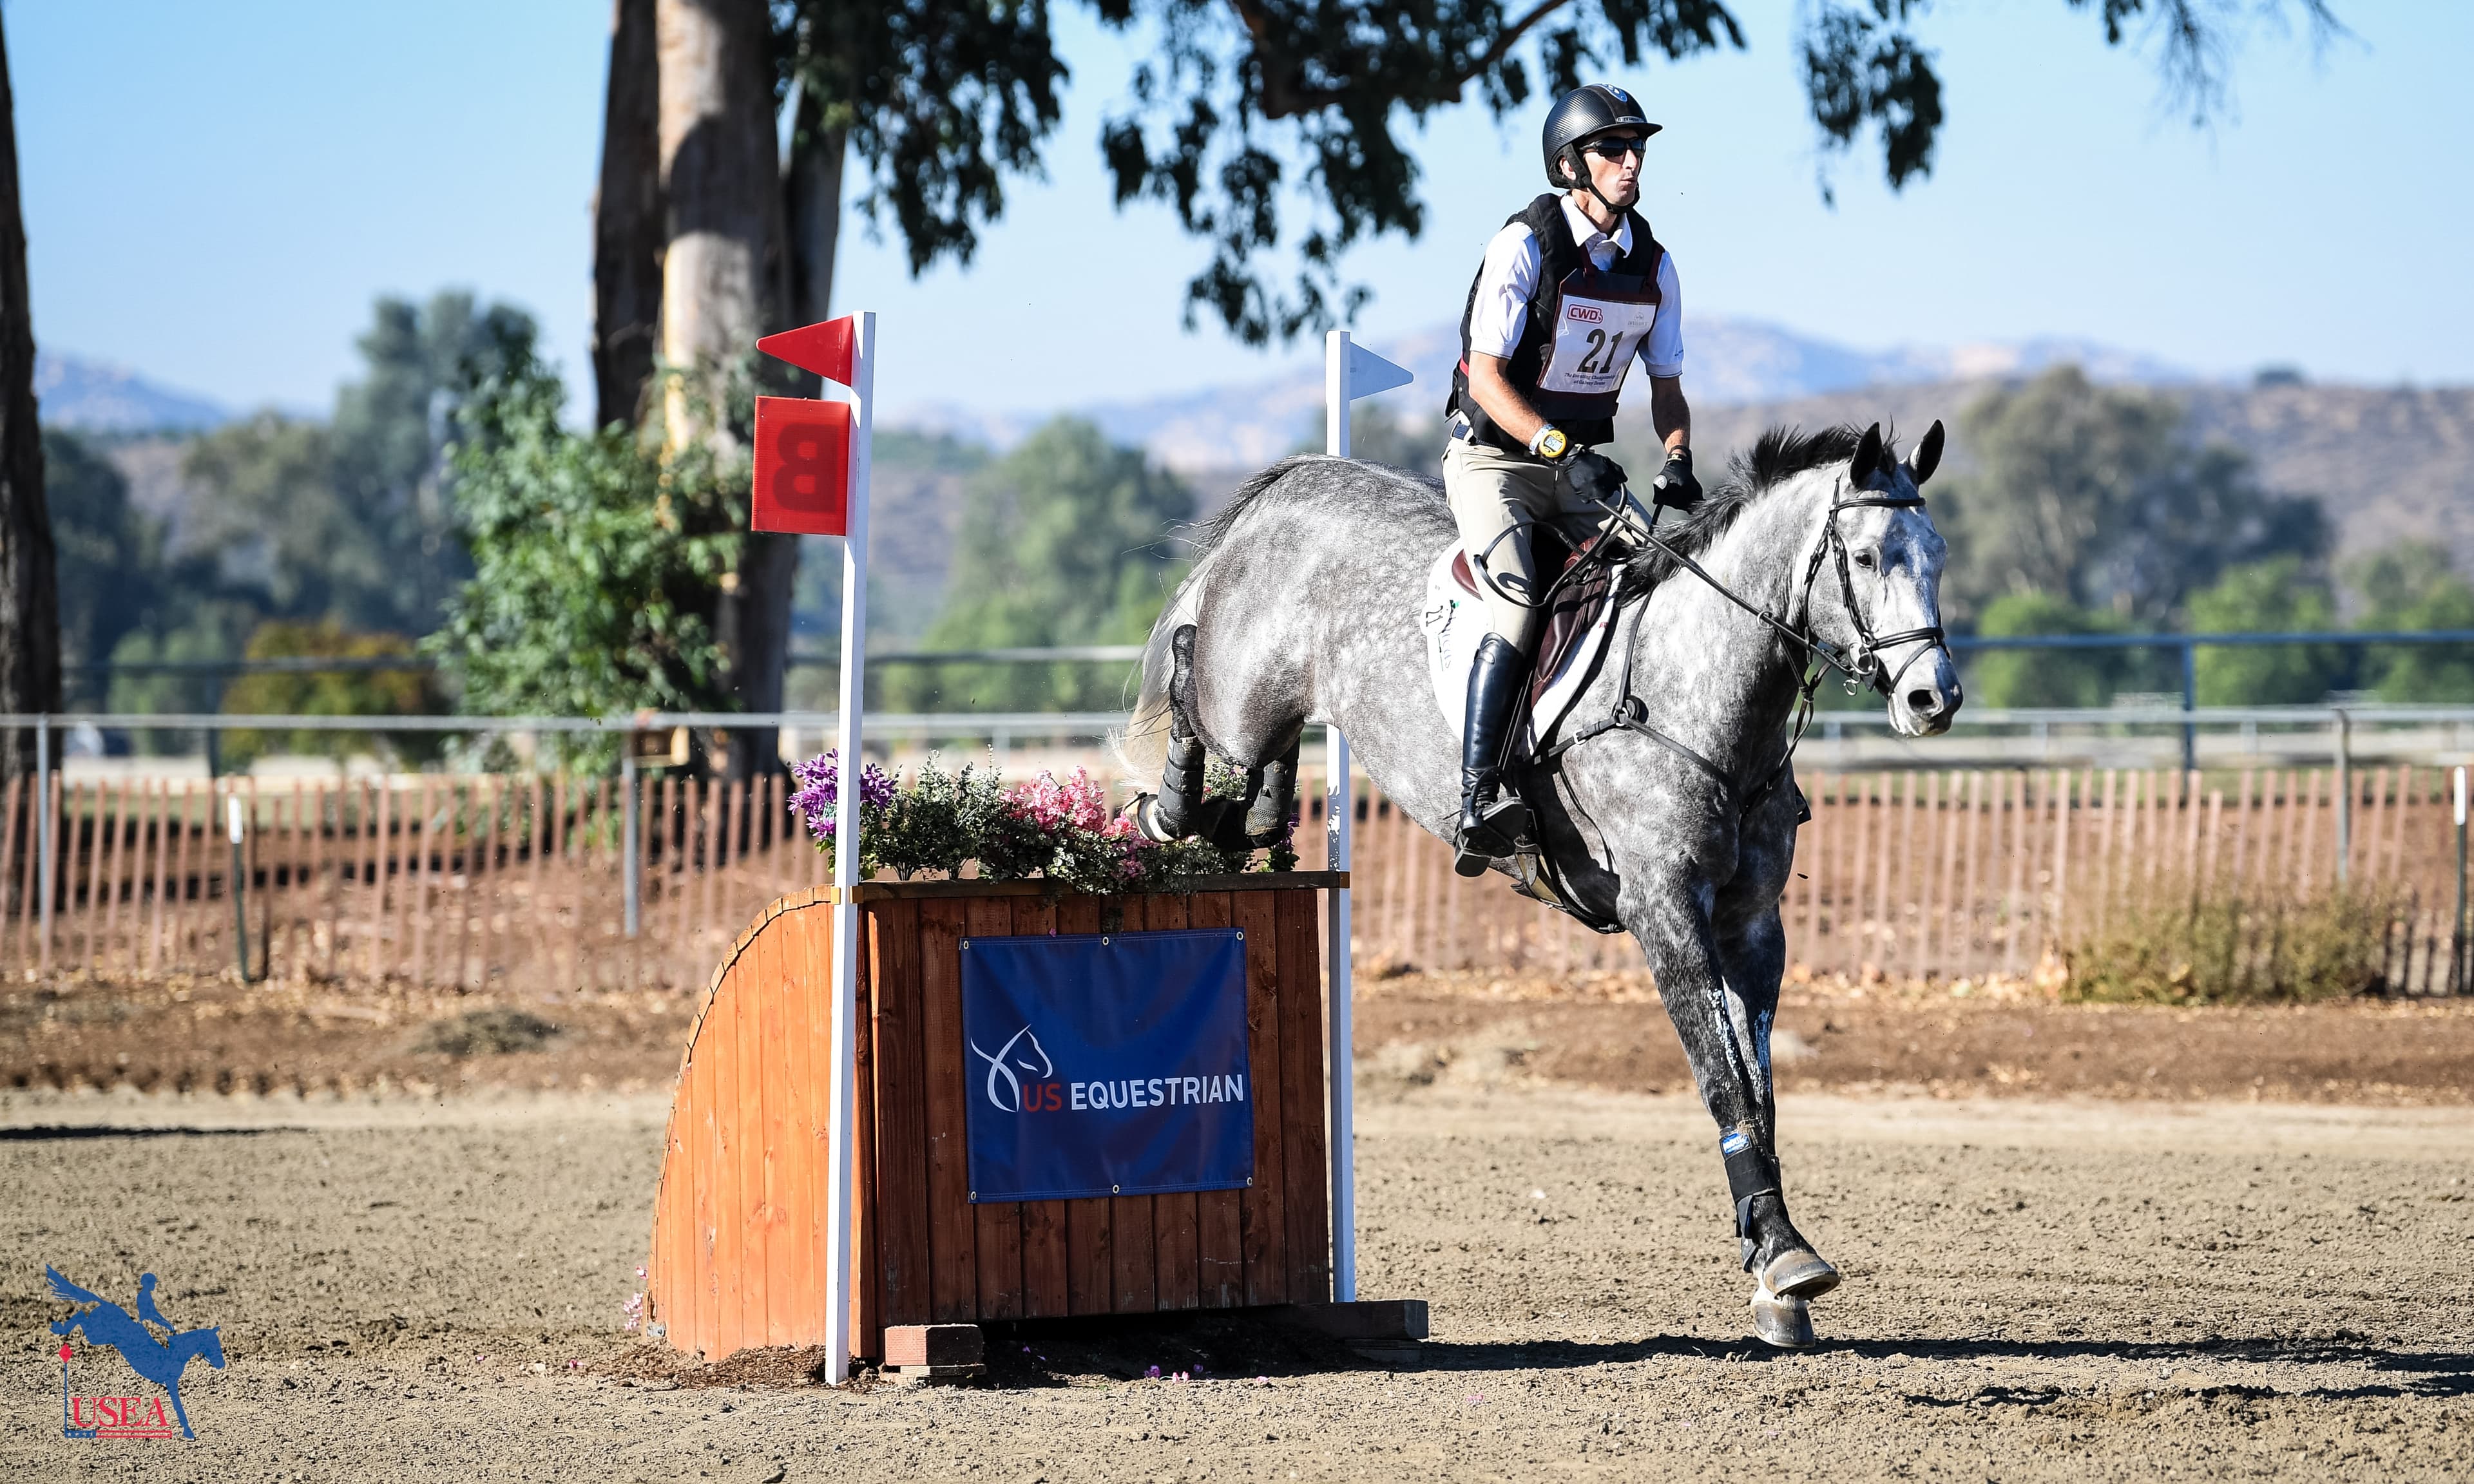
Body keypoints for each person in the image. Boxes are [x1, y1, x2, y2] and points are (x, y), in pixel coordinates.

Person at [1440, 82, 1704, 877]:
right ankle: (1478, 794)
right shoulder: (1523, 245)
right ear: (1570, 165)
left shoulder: (1653, 265)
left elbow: (1666, 388)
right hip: (1497, 461)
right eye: (1613, 151)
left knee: (1670, 589)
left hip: (1580, 469)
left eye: (1637, 151)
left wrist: (1680, 458)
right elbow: (1483, 376)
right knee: (1520, 605)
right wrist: (1557, 445)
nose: (1631, 164)